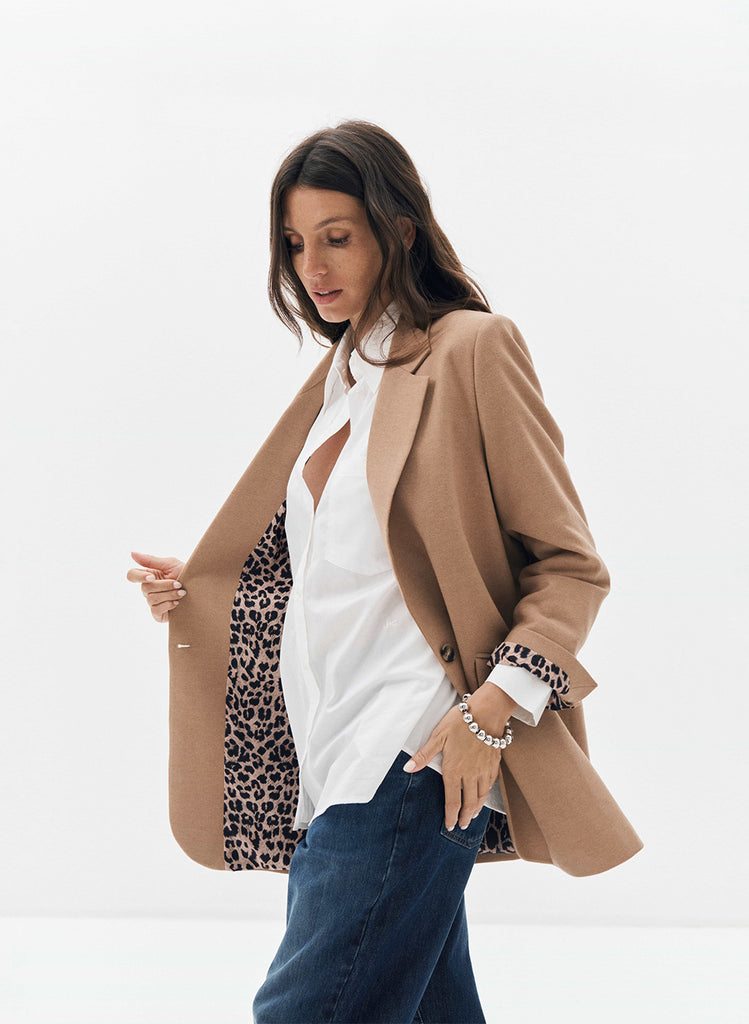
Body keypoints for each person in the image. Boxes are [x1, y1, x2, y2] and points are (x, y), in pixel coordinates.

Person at [127, 119, 642, 1024]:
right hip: (330, 752)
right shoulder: (337, 387)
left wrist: (487, 716)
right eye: (295, 244)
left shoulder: (470, 349)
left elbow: (569, 567)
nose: (313, 267)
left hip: (412, 748)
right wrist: (208, 591)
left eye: (337, 237)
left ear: (398, 230)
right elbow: (349, 572)